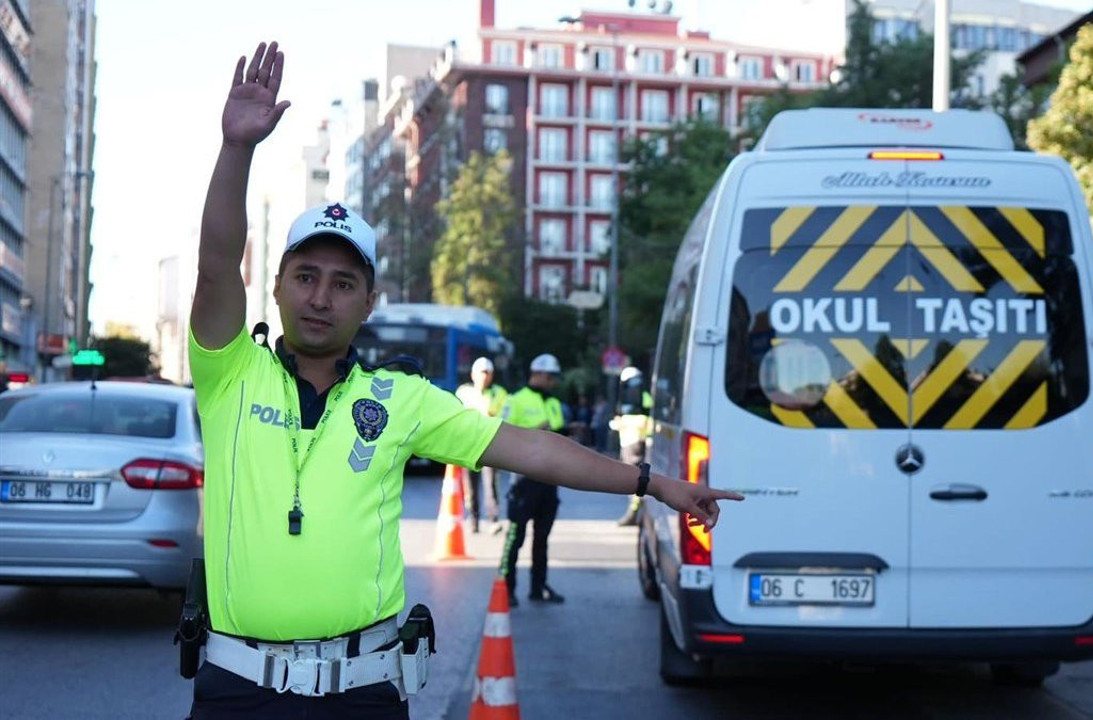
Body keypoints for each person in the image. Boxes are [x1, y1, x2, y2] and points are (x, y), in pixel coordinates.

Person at [184, 41, 741, 720]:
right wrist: (237, 148)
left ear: (369, 302)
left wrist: (655, 484)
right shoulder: (229, 373)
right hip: (238, 694)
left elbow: (532, 448)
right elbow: (216, 266)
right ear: (274, 287)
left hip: (363, 693)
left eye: (343, 283)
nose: (320, 298)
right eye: (305, 277)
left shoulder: (400, 398)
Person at [498, 353, 567, 605]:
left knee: (542, 538)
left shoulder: (554, 403)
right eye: (550, 377)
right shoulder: (515, 400)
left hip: (549, 479)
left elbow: (559, 436)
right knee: (515, 536)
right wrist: (534, 433)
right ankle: (506, 588)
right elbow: (501, 434)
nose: (553, 382)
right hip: (524, 480)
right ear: (537, 374)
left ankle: (538, 587)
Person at [455, 356, 508, 532]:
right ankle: (474, 520)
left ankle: (493, 519)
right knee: (470, 485)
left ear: (492, 375)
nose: (484, 377)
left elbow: (504, 415)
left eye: (487, 373)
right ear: (473, 374)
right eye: (481, 373)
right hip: (468, 445)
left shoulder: (499, 393)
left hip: (491, 444)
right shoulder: (463, 392)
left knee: (491, 483)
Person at [611, 366, 653, 526]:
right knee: (636, 477)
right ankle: (636, 511)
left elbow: (644, 418)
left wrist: (621, 422)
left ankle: (634, 513)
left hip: (634, 440)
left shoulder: (633, 395)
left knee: (635, 478)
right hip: (632, 440)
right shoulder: (643, 394)